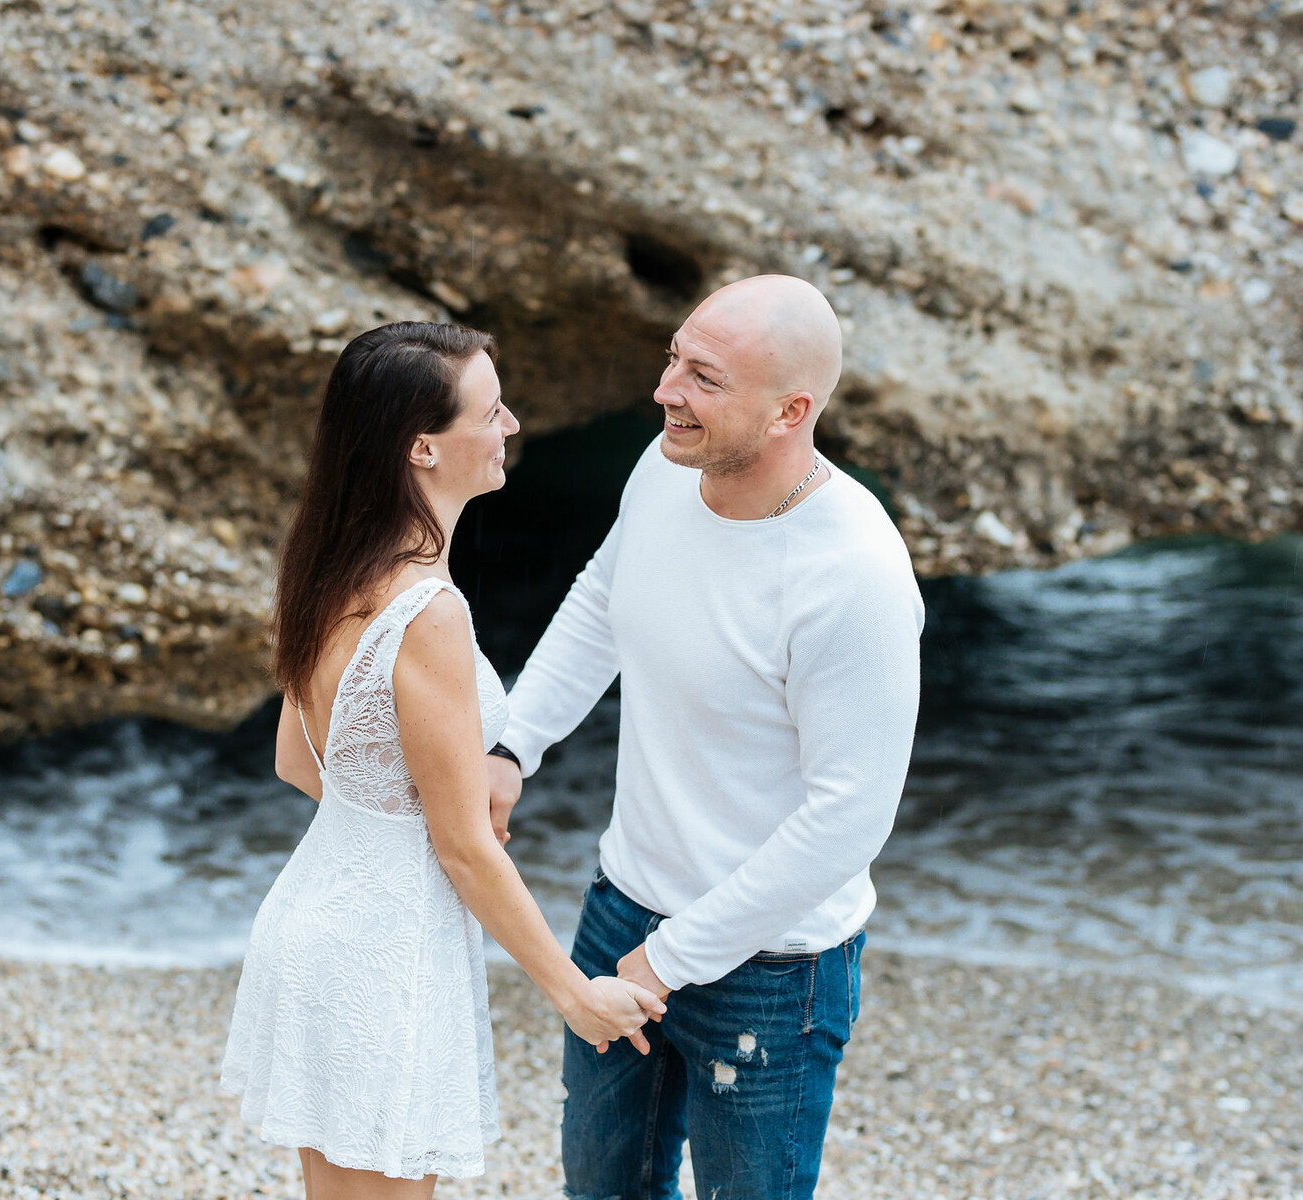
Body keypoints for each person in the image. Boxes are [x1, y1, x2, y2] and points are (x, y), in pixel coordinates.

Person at [485, 276, 926, 1200]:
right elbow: (604, 598)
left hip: (774, 968)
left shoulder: (854, 575)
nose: (665, 391)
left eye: (705, 377)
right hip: (623, 904)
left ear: (789, 410)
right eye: (673, 358)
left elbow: (849, 818)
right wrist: (514, 744)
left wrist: (673, 957)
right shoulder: (667, 464)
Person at [220, 322, 665, 1199]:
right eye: (492, 409)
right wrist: (576, 995)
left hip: (326, 908)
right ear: (422, 446)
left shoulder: (332, 566)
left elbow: (300, 764)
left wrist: (398, 793)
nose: (512, 424)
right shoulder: (428, 609)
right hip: (383, 944)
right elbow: (463, 845)